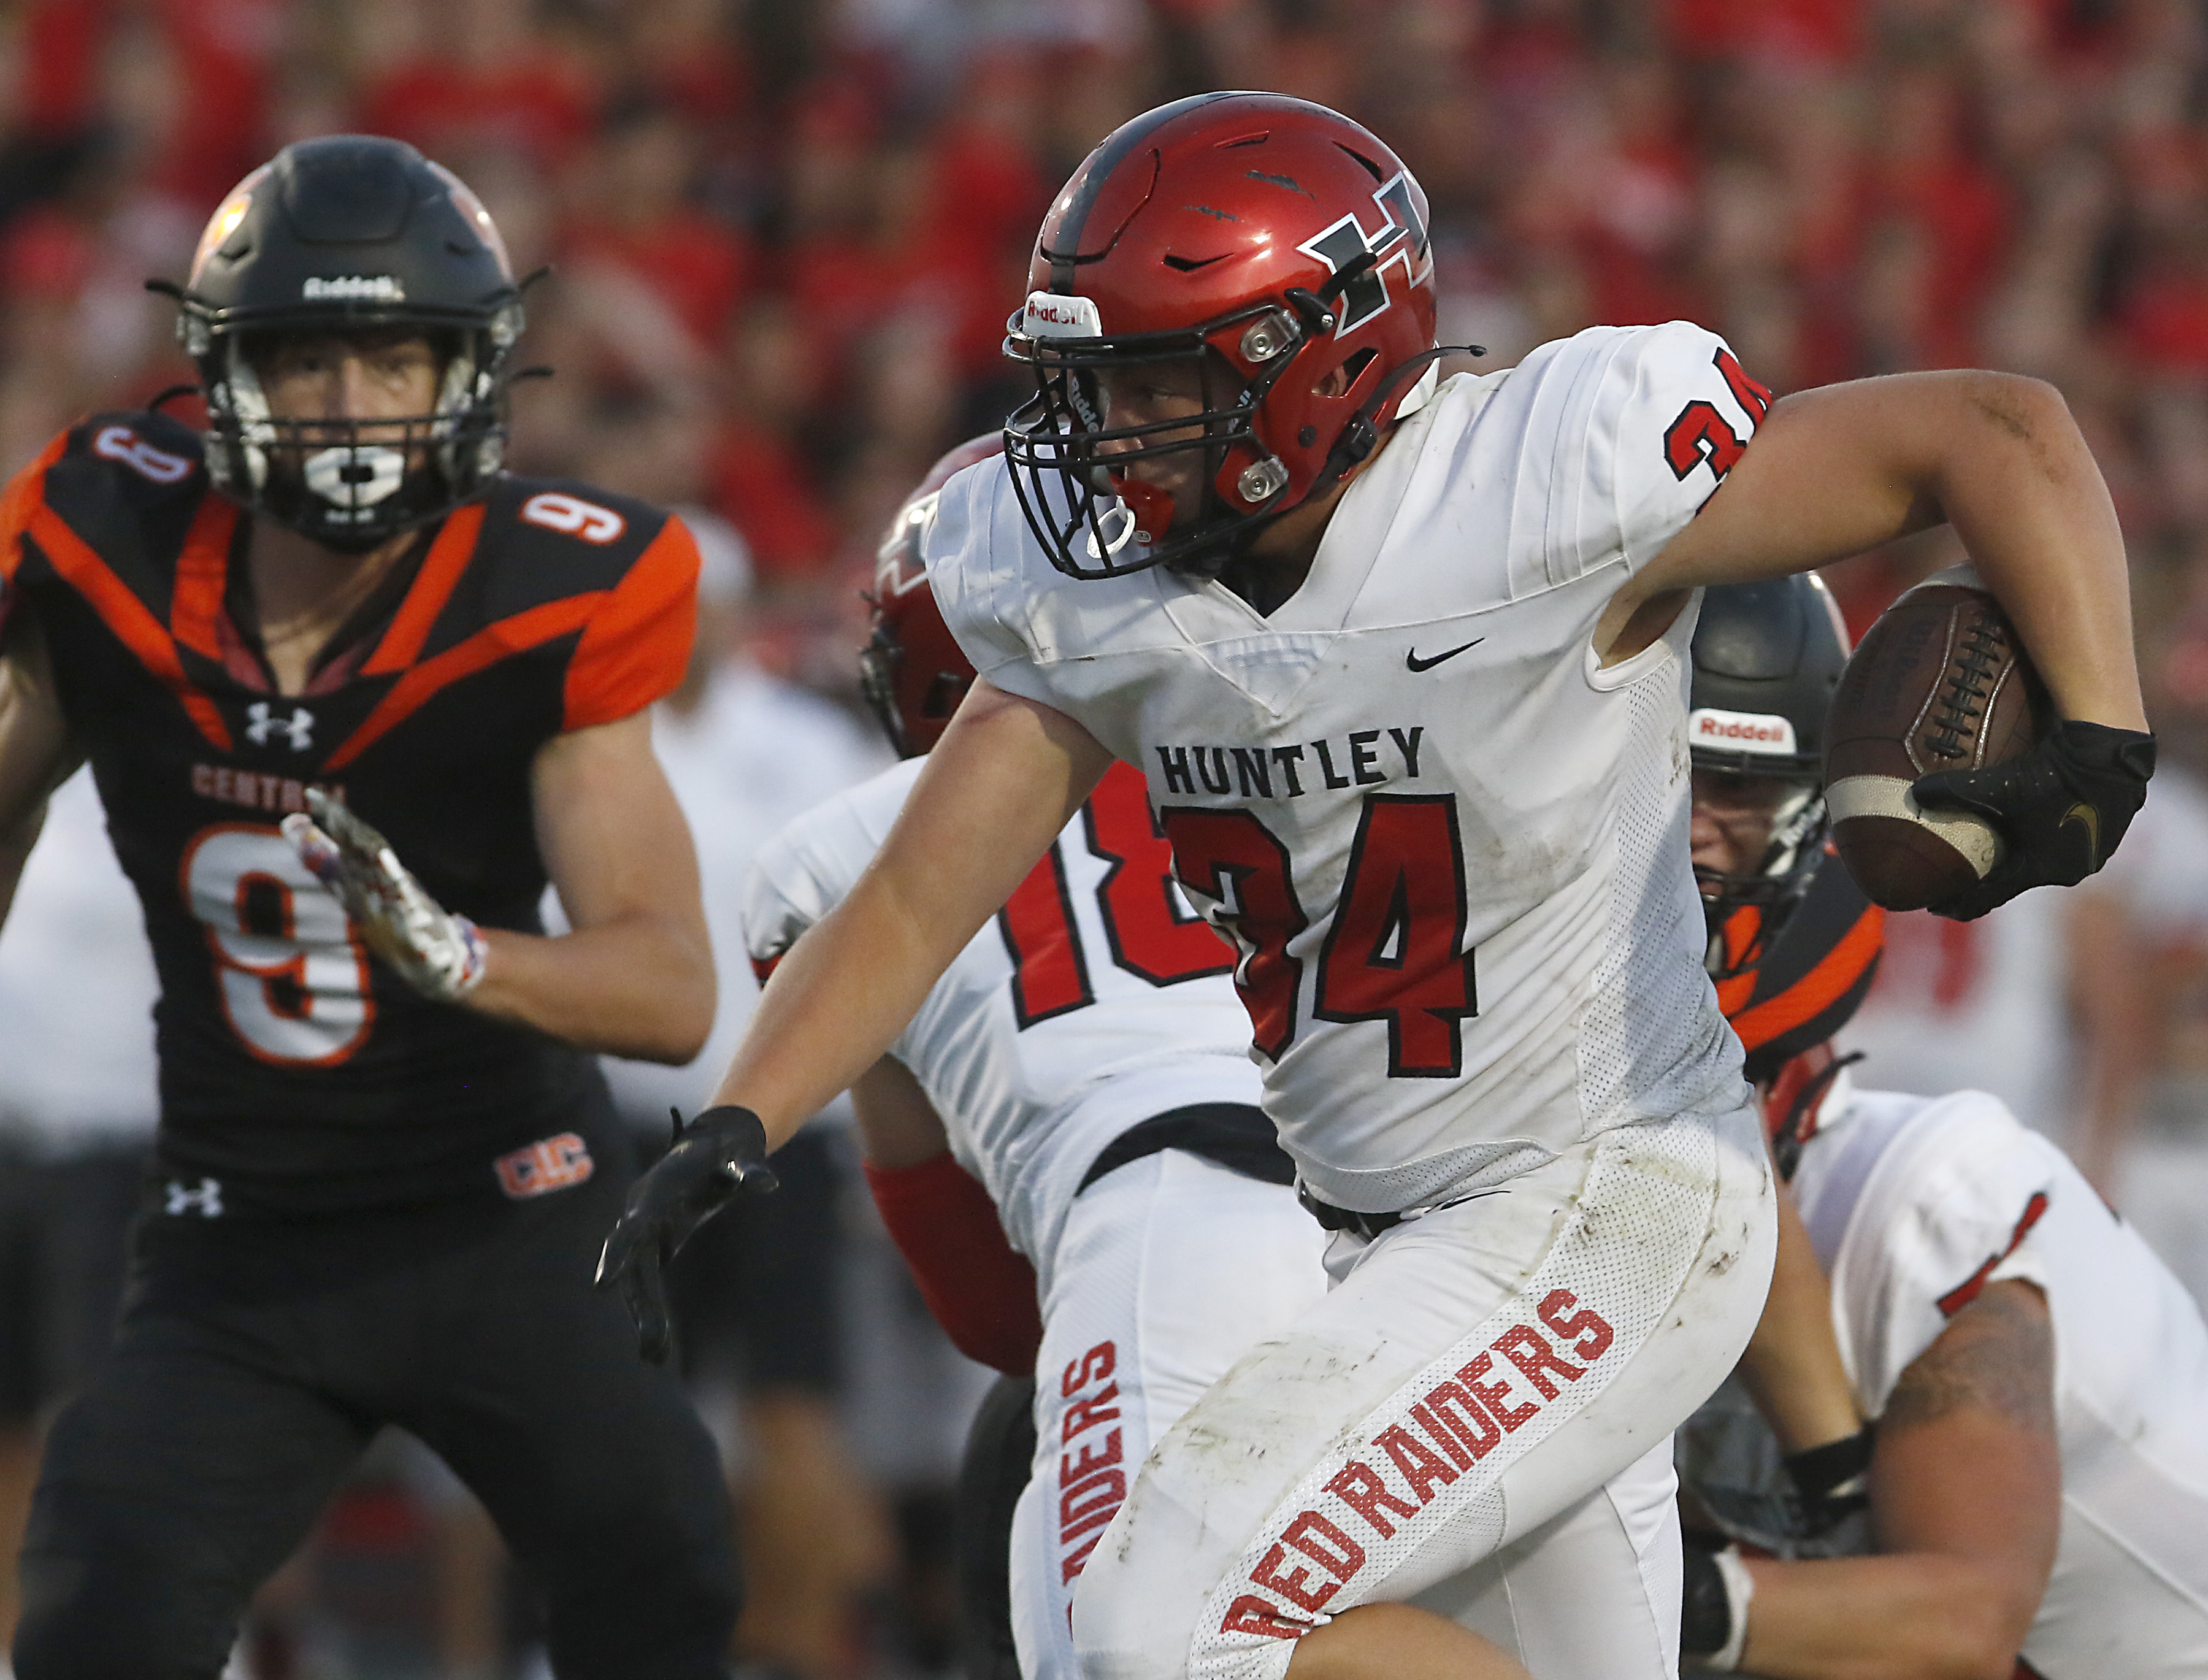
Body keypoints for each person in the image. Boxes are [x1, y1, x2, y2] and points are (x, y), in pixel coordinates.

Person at [602, 91, 2155, 1680]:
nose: (1100, 439)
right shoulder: (1091, 584)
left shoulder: (1542, 479)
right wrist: (738, 1120)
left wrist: (2100, 725)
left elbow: (1992, 424)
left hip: (1599, 1203)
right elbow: (926, 885)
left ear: (1320, 353)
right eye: (1089, 385)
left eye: (1152, 385)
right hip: (1386, 1227)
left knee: (1163, 1627)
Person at [0, 135, 737, 1677]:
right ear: (224, 371)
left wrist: (459, 955)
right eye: (309, 356)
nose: (352, 406)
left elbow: (670, 986)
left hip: (514, 1212)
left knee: (664, 1563)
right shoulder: (103, 550)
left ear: (469, 373)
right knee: (95, 1608)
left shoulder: (550, 590)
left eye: (394, 356)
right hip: (238, 1234)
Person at [742, 438, 1333, 1680]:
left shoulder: (848, 853)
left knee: (1120, 1637)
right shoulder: (1338, 738)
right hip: (1440, 1239)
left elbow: (981, 1300)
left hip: (1166, 1227)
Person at [1673, 577, 2208, 1679]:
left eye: (1726, 785)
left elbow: (1960, 1627)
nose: (1688, 833)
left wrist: (1643, 1602)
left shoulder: (1928, 1197)